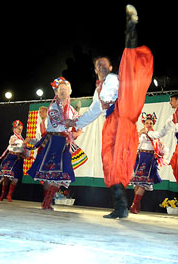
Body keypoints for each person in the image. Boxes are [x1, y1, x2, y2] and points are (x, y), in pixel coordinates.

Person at [65, 5, 153, 218]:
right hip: (111, 124)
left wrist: (107, 99)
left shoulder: (114, 79)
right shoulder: (97, 91)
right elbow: (93, 112)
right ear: (95, 70)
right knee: (110, 165)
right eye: (98, 66)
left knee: (129, 65)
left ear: (110, 68)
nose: (102, 67)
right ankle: (121, 207)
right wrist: (74, 124)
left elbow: (114, 92)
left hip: (124, 111)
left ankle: (130, 29)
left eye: (105, 64)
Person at [27, 77, 86, 210]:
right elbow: (56, 124)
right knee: (48, 173)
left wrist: (78, 131)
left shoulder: (72, 110)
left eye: (66, 89)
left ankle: (47, 201)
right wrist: (72, 124)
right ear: (56, 92)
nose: (63, 92)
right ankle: (46, 201)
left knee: (63, 172)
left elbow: (80, 125)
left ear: (69, 92)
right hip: (53, 141)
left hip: (64, 143)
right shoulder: (53, 107)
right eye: (61, 90)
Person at [130, 112, 168, 214]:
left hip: (149, 159)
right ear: (143, 123)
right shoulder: (140, 134)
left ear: (153, 124)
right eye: (147, 122)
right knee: (137, 183)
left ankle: (134, 204)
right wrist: (140, 134)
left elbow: (161, 148)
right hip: (139, 157)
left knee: (143, 182)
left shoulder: (154, 135)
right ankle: (136, 204)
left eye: (151, 123)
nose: (149, 124)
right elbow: (135, 143)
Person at [140, 94, 178, 183]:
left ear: (177, 100)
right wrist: (147, 132)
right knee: (174, 163)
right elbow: (162, 133)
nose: (170, 103)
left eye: (171, 100)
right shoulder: (172, 118)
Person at [0, 120, 31, 202]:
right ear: (14, 129)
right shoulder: (13, 137)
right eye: (17, 128)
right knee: (6, 176)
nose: (19, 130)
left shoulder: (22, 139)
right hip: (10, 157)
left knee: (15, 178)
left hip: (18, 159)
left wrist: (27, 157)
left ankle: (9, 195)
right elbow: (14, 144)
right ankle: (3, 193)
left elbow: (23, 150)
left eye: (20, 129)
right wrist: (24, 142)